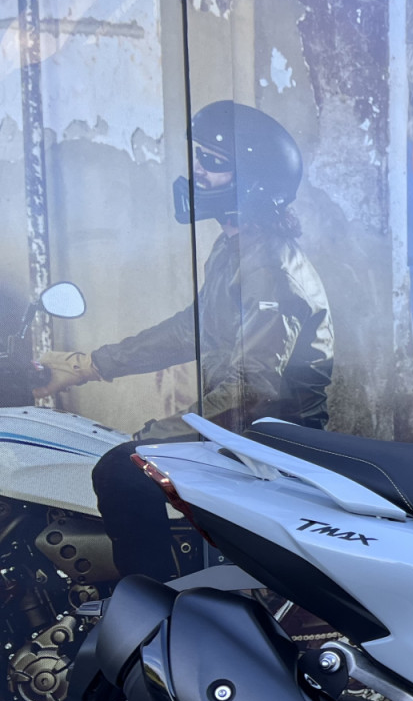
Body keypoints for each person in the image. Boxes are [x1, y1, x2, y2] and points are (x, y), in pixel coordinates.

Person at [34, 100, 334, 581]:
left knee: (121, 469)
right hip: (244, 436)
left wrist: (155, 437)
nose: (197, 172)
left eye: (213, 162)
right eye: (198, 157)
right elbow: (190, 330)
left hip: (271, 449)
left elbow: (251, 390)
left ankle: (151, 606)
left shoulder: (269, 267)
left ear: (252, 182)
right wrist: (88, 364)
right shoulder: (236, 248)